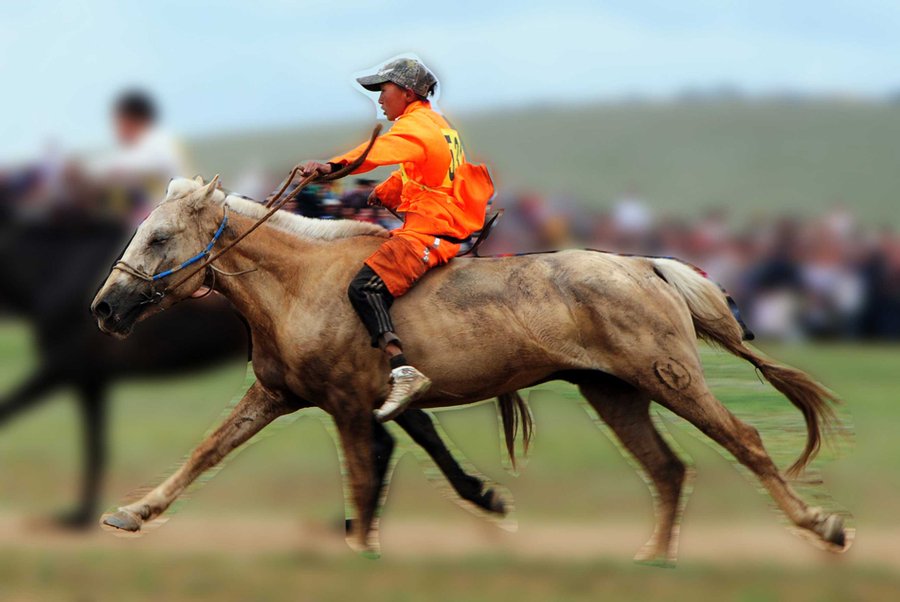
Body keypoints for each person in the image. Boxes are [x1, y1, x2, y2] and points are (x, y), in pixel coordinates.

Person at [298, 57, 493, 421]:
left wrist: (329, 167)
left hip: (430, 230)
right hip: (431, 221)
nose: (379, 99)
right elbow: (419, 169)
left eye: (383, 91)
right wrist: (386, 190)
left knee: (364, 287)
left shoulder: (416, 127)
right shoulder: (435, 123)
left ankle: (402, 370)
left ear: (405, 92)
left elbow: (377, 153)